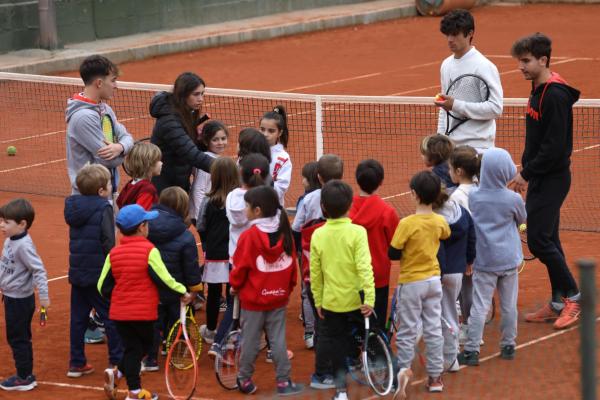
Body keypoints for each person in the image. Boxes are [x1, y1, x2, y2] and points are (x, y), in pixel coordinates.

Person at [509, 32, 582, 330]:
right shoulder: (537, 88)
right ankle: (557, 302)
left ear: (543, 60)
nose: (521, 67)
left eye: (526, 61)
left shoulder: (553, 95)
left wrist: (526, 173)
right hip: (541, 176)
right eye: (520, 62)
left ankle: (575, 297)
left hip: (551, 178)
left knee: (539, 240)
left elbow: (553, 148)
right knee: (549, 238)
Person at [98, 204, 193, 400]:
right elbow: (164, 278)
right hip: (142, 313)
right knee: (140, 348)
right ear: (142, 227)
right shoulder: (150, 250)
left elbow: (102, 286)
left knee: (134, 347)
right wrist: (183, 291)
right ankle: (134, 393)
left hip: (119, 313)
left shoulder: (113, 253)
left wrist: (118, 297)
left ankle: (117, 374)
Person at [230, 186, 303, 396]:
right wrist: (286, 289)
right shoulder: (285, 231)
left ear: (258, 210)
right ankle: (283, 381)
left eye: (247, 206)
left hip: (253, 301)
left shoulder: (249, 236)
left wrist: (235, 286)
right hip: (279, 297)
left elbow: (240, 267)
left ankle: (244, 379)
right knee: (278, 340)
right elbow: (291, 265)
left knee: (250, 341)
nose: (244, 209)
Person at [458, 148, 526, 366]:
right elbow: (522, 220)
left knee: (479, 306)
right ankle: (508, 346)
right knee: (509, 305)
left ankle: (471, 350)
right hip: (509, 261)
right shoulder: (513, 198)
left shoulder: (475, 196)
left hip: (484, 261)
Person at [310, 180, 375, 400]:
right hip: (358, 299)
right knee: (363, 336)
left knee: (335, 344)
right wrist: (370, 298)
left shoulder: (318, 235)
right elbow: (365, 267)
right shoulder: (358, 232)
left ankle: (340, 392)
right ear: (350, 205)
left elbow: (315, 273)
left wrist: (318, 300)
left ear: (323, 208)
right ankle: (378, 373)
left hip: (332, 301)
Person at [388, 171, 451, 398]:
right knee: (433, 329)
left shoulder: (407, 223)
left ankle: (403, 372)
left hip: (411, 283)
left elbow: (393, 253)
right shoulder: (440, 221)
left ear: (413, 194)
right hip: (433, 281)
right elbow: (445, 235)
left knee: (407, 331)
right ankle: (435, 378)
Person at [207, 154, 270, 357]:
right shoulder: (263, 199)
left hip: (235, 260)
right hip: (257, 263)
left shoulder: (232, 196)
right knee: (263, 303)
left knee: (235, 304)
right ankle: (269, 348)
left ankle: (218, 344)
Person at [64, 164, 123, 378]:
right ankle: (117, 362)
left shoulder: (72, 205)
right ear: (101, 191)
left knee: (78, 319)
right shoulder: (104, 207)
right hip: (99, 273)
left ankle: (76, 362)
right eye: (108, 183)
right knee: (110, 316)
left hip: (78, 272)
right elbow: (108, 239)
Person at [145, 187, 204, 371]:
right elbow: (191, 267)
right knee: (176, 320)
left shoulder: (145, 228)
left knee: (153, 322)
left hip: (152, 287)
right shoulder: (186, 236)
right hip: (177, 290)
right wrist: (194, 290)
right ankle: (172, 351)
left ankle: (151, 360)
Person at [434, 9, 503, 151]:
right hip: (452, 148)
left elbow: (495, 109)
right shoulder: (446, 65)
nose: (450, 39)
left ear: (470, 33)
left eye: (455, 34)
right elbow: (444, 107)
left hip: (478, 149)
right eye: (447, 34)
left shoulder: (484, 66)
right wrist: (440, 138)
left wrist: (455, 105)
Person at [0, 199, 50, 392]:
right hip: (12, 297)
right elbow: (6, 266)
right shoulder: (9, 241)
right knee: (19, 336)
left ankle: (24, 377)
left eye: (6, 222)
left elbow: (39, 270)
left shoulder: (23, 246)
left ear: (22, 224)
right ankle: (26, 373)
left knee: (17, 338)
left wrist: (44, 297)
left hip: (20, 301)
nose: (1, 225)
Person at [66, 55, 134, 195]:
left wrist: (120, 147)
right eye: (113, 80)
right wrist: (126, 150)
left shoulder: (105, 109)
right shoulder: (83, 118)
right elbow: (110, 160)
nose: (116, 86)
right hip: (89, 197)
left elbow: (127, 137)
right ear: (99, 83)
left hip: (107, 192)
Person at [349, 159, 399, 329]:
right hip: (378, 275)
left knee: (354, 321)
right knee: (376, 322)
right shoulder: (387, 212)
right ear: (381, 182)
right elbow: (396, 244)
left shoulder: (346, 210)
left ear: (357, 180)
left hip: (352, 273)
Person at [196, 157, 240, 344]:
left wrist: (206, 244)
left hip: (214, 255)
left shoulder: (207, 200)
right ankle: (231, 332)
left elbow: (200, 225)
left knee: (213, 293)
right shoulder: (239, 201)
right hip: (233, 255)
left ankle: (211, 329)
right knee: (233, 294)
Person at [433, 185, 475, 372]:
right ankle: (451, 358)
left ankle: (444, 361)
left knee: (433, 316)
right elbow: (472, 236)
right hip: (457, 273)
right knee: (449, 312)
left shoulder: (430, 220)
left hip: (437, 273)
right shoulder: (462, 212)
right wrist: (469, 261)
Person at [150, 72, 214, 194]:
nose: (201, 99)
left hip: (178, 182)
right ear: (183, 95)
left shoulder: (186, 112)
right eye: (196, 94)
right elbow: (191, 154)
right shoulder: (169, 121)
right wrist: (223, 167)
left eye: (202, 94)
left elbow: (185, 145)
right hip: (164, 188)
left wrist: (200, 141)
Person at [447, 145, 480, 345]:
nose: (448, 172)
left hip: (466, 251)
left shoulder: (457, 197)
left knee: (465, 290)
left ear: (458, 172)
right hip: (480, 248)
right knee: (475, 289)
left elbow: (460, 226)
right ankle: (474, 328)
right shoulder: (480, 188)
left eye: (450, 169)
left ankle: (469, 329)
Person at [294, 161, 321, 350]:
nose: (301, 180)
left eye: (303, 177)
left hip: (307, 251)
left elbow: (296, 227)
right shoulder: (331, 196)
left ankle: (310, 332)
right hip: (327, 250)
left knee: (307, 290)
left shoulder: (305, 200)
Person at [189, 120, 229, 224]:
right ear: (206, 142)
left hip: (209, 212)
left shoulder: (210, 158)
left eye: (223, 139)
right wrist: (200, 218)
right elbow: (198, 189)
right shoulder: (207, 162)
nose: (220, 143)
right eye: (215, 140)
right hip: (204, 216)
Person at [259, 105, 292, 206]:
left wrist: (263, 182)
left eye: (271, 131)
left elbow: (281, 188)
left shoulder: (283, 158)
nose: (265, 134)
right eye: (262, 129)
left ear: (280, 133)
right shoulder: (250, 150)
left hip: (271, 210)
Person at [117, 142, 163, 210]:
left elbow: (119, 203)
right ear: (148, 165)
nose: (162, 163)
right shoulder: (148, 189)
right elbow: (141, 214)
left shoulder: (131, 183)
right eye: (158, 160)